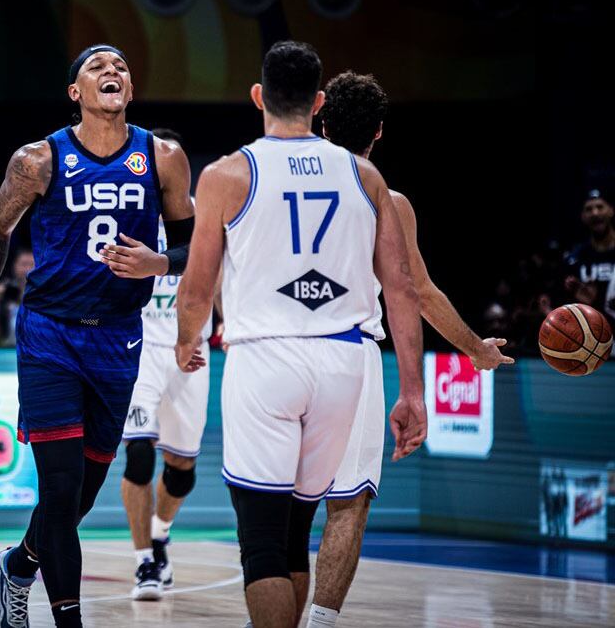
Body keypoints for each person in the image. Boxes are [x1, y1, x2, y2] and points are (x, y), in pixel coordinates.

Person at [176, 41, 426, 628]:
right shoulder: (365, 175)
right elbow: (403, 289)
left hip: (267, 359)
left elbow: (197, 285)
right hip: (343, 362)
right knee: (295, 532)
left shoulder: (227, 174)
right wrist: (413, 391)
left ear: (257, 96)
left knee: (262, 540)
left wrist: (187, 340)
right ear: (317, 102)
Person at [0, 44, 197, 628]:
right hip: (50, 334)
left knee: (81, 496)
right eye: (97, 67)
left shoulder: (164, 157)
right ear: (75, 92)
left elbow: (196, 249)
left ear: (131, 89)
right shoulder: (38, 159)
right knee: (61, 485)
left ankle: (17, 566)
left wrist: (158, 264)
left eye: (121, 67)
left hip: (119, 336)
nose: (112, 71)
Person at [303, 70, 514, 627]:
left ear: (322, 123)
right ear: (378, 132)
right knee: (347, 503)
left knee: (276, 502)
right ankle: (319, 623)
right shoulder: (387, 201)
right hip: (350, 353)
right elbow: (417, 292)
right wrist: (474, 349)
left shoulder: (278, 186)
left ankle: (269, 615)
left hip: (279, 351)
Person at [92, 128, 215, 600]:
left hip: (190, 349)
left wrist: (224, 323)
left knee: (182, 469)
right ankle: (144, 561)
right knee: (139, 455)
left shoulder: (204, 215)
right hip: (138, 347)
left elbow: (217, 277)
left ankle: (160, 534)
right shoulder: (125, 212)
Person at [565, 188, 615, 325]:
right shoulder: (574, 258)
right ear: (583, 216)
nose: (595, 213)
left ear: (611, 210)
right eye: (589, 209)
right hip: (591, 332)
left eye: (600, 207)